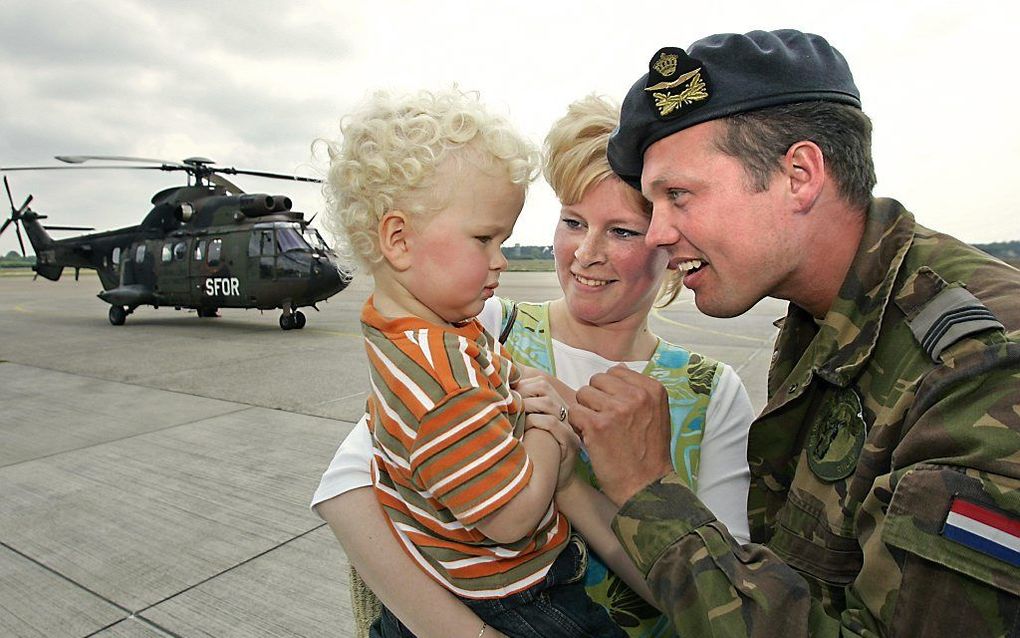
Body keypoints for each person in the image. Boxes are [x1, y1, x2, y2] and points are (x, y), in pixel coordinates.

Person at [568, 29, 1020, 637]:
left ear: (800, 175)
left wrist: (649, 490)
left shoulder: (983, 367)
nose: (657, 234)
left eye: (678, 196)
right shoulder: (829, 311)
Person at [313, 94, 756, 638]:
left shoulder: (713, 392)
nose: (585, 252)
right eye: (573, 221)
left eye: (621, 231)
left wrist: (580, 480)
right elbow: (348, 491)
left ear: (669, 242)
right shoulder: (478, 325)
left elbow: (724, 599)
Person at [319, 87, 629, 638]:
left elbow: (500, 377)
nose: (501, 260)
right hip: (516, 605)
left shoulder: (416, 329)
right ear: (398, 239)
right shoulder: (444, 379)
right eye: (484, 239)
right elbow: (511, 519)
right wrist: (549, 437)